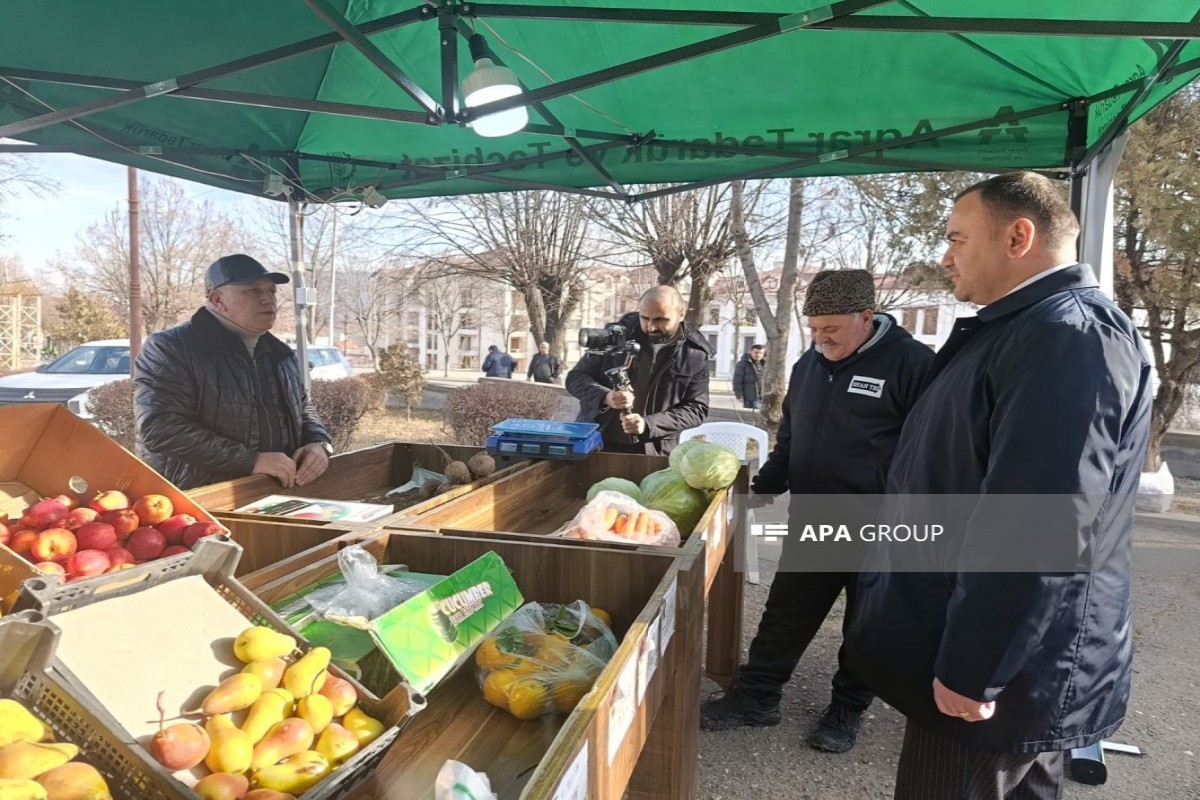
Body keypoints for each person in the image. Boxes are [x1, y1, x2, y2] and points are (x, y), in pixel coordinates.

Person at [846, 172, 1151, 799]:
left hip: (1002, 683)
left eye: (958, 238)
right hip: (981, 658)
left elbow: (1038, 524)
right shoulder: (1025, 328)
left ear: (1018, 236)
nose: (944, 257)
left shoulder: (1068, 338)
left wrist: (975, 668)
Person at [701, 270, 933, 754]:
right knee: (787, 610)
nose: (821, 339)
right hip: (816, 517)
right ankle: (756, 698)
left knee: (868, 622)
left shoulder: (913, 365)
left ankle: (847, 708)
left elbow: (932, 451)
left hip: (881, 525)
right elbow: (792, 438)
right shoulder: (810, 365)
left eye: (832, 330)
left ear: (866, 317)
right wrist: (764, 486)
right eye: (814, 329)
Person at [134, 254, 334, 491]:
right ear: (218, 299)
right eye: (253, 291)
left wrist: (318, 443)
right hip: (199, 502)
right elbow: (160, 428)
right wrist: (250, 460)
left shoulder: (280, 353)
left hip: (275, 493)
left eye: (272, 291)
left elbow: (302, 407)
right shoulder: (172, 347)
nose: (268, 299)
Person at [565, 285, 711, 455]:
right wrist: (605, 397)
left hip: (653, 451)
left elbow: (696, 409)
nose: (650, 327)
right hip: (596, 442)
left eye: (660, 320)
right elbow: (575, 378)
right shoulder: (615, 336)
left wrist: (649, 424)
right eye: (645, 318)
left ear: (681, 314)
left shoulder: (695, 353)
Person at [732, 344, 765, 409]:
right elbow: (737, 380)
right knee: (751, 418)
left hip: (763, 397)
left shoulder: (764, 364)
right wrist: (739, 395)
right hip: (750, 397)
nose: (758, 355)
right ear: (750, 352)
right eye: (756, 352)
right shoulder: (742, 364)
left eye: (761, 353)